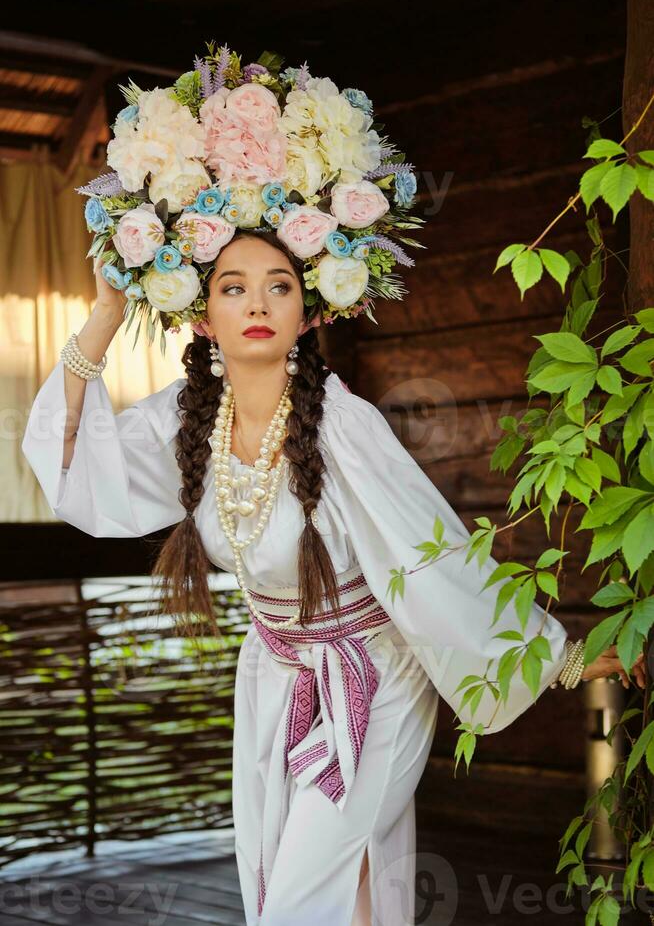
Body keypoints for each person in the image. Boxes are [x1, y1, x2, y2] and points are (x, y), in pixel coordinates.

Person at [22, 229, 646, 926]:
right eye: (233, 288)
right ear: (201, 316)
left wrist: (561, 661)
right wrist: (105, 318)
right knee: (330, 894)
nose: (257, 302)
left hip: (373, 680)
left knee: (300, 899)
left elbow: (431, 558)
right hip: (276, 671)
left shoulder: (344, 425)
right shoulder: (186, 418)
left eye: (279, 286)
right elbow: (69, 465)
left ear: (310, 311)